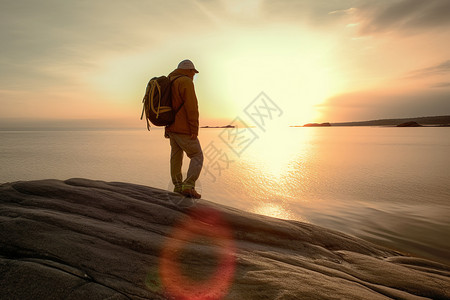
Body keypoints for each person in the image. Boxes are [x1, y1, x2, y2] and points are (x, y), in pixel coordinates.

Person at [165, 59, 203, 199]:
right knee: (197, 155)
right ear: (189, 71)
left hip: (171, 128)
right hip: (184, 128)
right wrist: (194, 128)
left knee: (176, 157)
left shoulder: (170, 80)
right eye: (193, 72)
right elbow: (192, 107)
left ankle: (178, 186)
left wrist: (166, 128)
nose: (194, 75)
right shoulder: (186, 82)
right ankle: (188, 185)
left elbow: (168, 106)